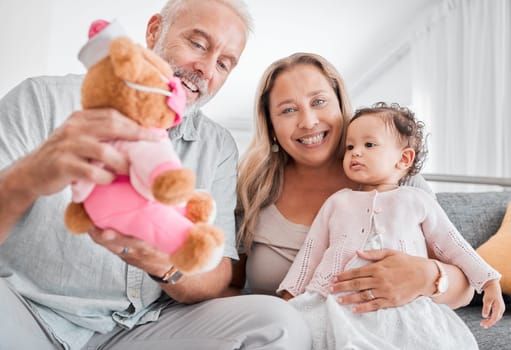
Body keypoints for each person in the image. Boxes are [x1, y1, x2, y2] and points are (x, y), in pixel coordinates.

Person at [0, 1, 311, 349]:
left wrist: (161, 264)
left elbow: (219, 268)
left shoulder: (218, 145)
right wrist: (29, 176)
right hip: (28, 312)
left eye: (224, 63)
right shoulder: (42, 98)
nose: (206, 69)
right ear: (153, 32)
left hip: (139, 328)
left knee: (279, 324)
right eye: (198, 44)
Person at [234, 52, 476, 319]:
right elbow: (228, 288)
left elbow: (465, 289)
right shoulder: (253, 190)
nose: (308, 121)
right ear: (270, 125)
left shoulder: (400, 182)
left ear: (340, 105)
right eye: (288, 110)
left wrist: (429, 276)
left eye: (319, 101)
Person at [277, 102, 505, 349]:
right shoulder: (337, 202)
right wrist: (291, 297)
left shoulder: (417, 200)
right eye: (350, 147)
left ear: (404, 158)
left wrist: (490, 282)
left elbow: (454, 245)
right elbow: (311, 252)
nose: (355, 152)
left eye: (369, 145)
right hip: (335, 301)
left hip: (404, 303)